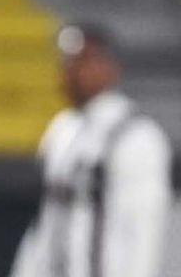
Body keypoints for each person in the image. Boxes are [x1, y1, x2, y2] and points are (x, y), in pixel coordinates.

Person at [11, 22, 174, 277]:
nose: (70, 72)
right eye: (66, 62)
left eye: (82, 62)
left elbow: (145, 230)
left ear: (109, 67)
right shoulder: (61, 130)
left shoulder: (135, 136)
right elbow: (46, 219)